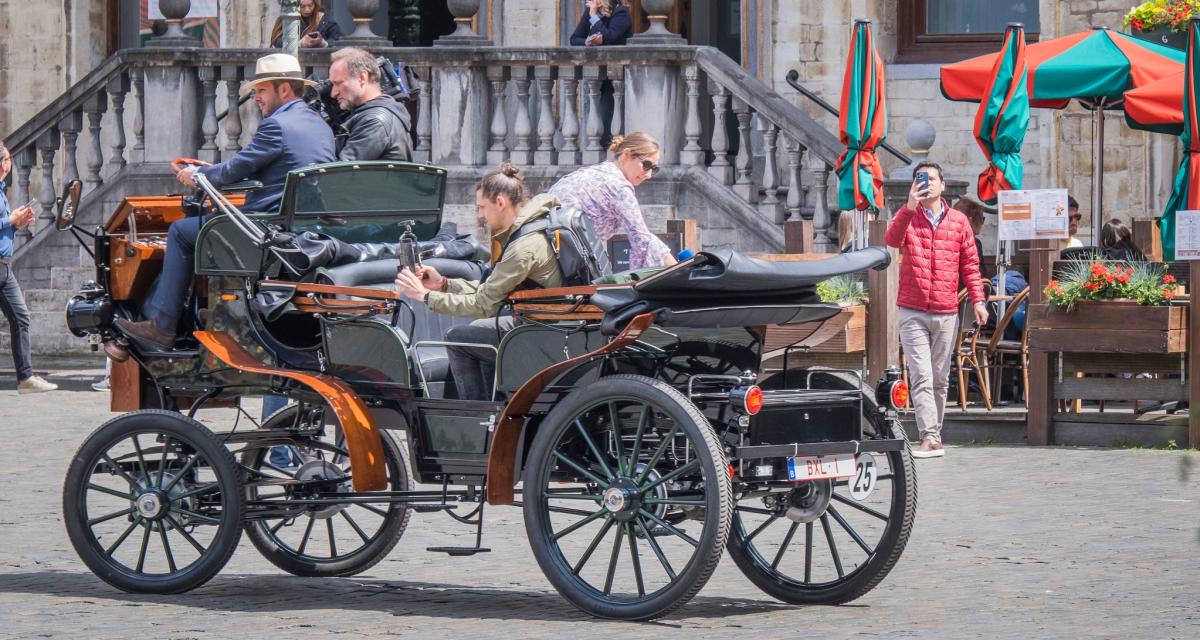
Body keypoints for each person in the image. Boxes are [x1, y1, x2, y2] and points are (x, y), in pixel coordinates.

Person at [112, 54, 335, 354]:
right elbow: (258, 168)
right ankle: (205, 310)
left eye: (262, 90)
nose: (255, 98)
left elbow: (234, 169)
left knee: (181, 232)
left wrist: (198, 174)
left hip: (267, 228)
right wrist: (210, 173)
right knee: (206, 222)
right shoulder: (317, 124)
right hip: (297, 224)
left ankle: (162, 326)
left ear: (285, 90)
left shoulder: (277, 126)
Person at [394, 163, 562, 401]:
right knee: (479, 330)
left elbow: (485, 304)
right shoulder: (536, 228)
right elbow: (494, 289)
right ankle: (497, 404)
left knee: (457, 338)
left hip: (540, 332)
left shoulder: (523, 247)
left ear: (501, 202)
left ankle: (479, 418)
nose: (480, 215)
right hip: (549, 324)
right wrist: (444, 284)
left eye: (482, 207)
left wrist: (425, 296)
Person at [885, 162, 987, 459]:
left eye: (931, 179)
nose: (926, 184)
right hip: (912, 310)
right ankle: (929, 436)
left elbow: (970, 264)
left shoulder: (958, 221)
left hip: (946, 310)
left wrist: (978, 301)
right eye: (921, 179)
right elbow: (891, 240)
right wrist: (907, 207)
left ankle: (935, 432)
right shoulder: (908, 216)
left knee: (941, 378)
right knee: (921, 376)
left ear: (943, 186)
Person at [549, 133, 676, 270]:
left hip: (547, 247)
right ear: (626, 155)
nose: (649, 174)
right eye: (646, 165)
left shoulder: (595, 172)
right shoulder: (619, 187)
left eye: (654, 168)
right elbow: (642, 240)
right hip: (558, 258)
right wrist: (678, 272)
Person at [0, 143, 57, 393]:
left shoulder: (1, 190)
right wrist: (10, 219)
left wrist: (16, 222)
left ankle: (26, 378)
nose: (11, 162)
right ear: (4, 163)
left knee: (21, 317)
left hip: (4, 268)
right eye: (9, 158)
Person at [328, 47, 412, 162]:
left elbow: (338, 175)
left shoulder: (374, 121)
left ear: (362, 78)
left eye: (339, 83)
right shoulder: (372, 115)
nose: (333, 93)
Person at [570, 0, 632, 148]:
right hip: (596, 73)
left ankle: (609, 147)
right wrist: (588, 42)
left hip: (616, 73)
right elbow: (574, 39)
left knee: (609, 110)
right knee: (597, 110)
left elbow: (609, 38)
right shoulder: (591, 13)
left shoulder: (621, 13)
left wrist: (594, 17)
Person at [270, 0, 342, 49]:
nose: (307, 10)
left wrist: (323, 43)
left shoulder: (326, 21)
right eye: (302, 6)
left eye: (310, 5)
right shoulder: (287, 18)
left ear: (314, 4)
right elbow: (277, 41)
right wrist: (300, 44)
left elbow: (338, 42)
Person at [953, 196, 987, 287]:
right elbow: (982, 275)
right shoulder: (974, 243)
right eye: (982, 218)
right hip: (968, 295)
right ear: (970, 220)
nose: (983, 222)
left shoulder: (946, 240)